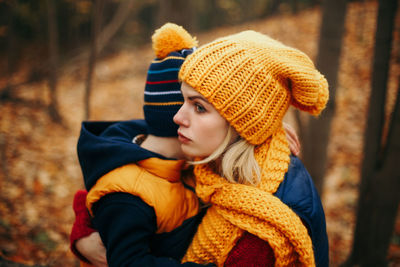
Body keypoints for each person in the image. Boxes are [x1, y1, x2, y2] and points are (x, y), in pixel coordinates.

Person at [70, 25, 305, 267]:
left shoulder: (187, 162)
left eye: (199, 106)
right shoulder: (132, 192)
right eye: (188, 103)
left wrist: (265, 127)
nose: (182, 115)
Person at [172, 30, 330, 266]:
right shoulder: (222, 167)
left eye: (199, 107)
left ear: (241, 125)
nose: (177, 117)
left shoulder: (258, 235)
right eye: (183, 100)